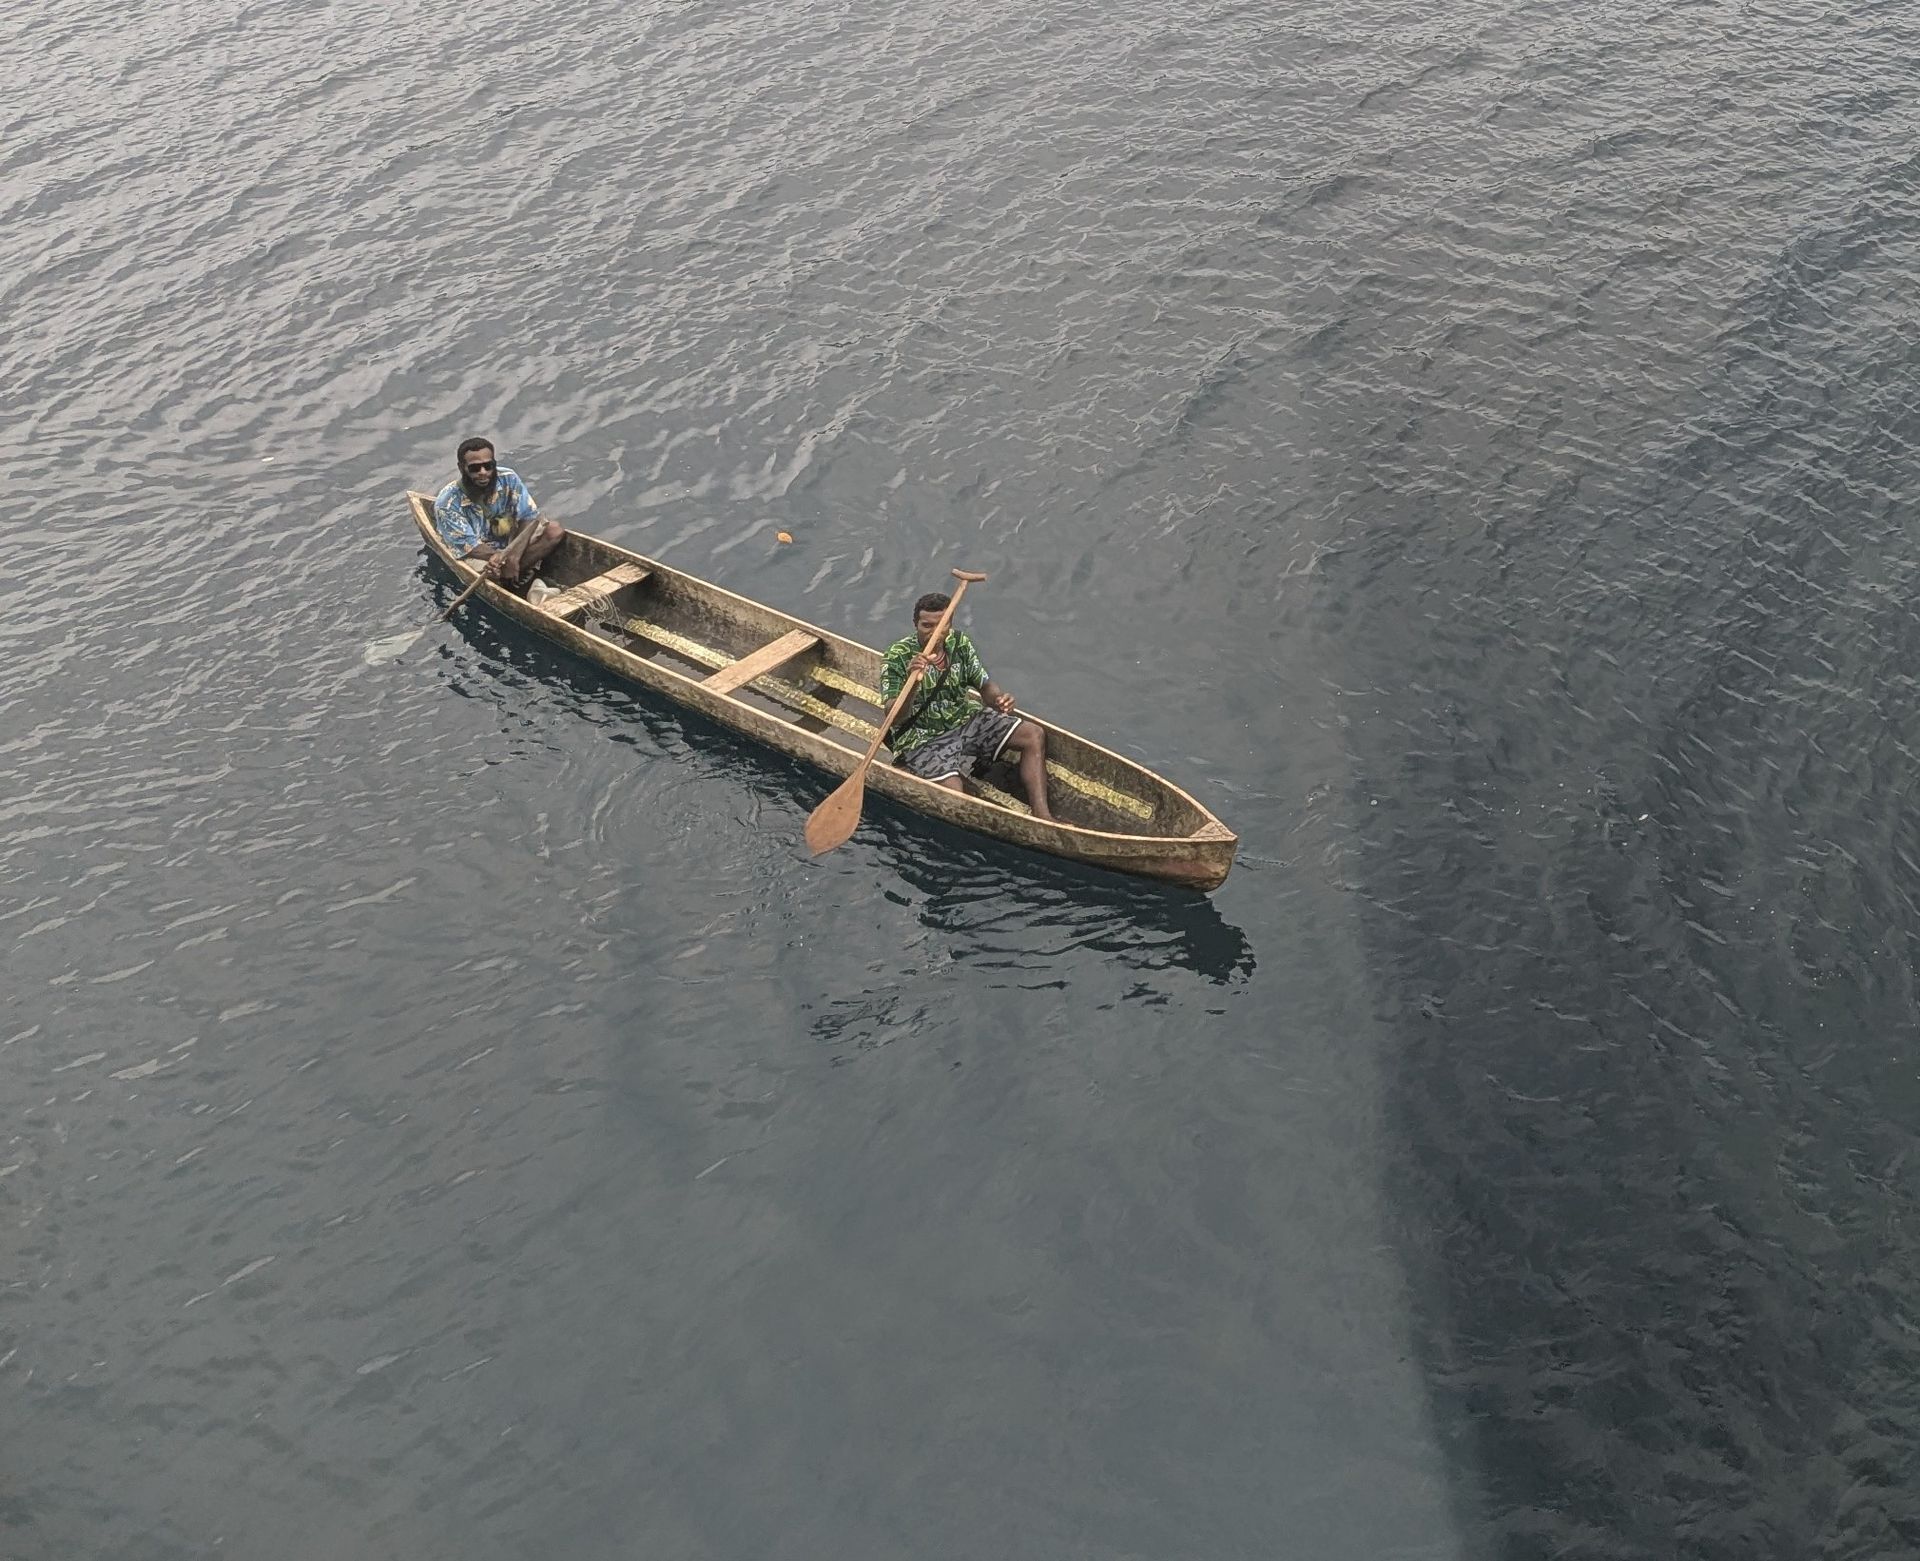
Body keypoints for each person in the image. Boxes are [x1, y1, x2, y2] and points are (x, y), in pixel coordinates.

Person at [880, 592, 1053, 821]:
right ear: (915, 624)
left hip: (964, 720)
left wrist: (999, 700)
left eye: (941, 625)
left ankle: (1042, 815)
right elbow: (895, 718)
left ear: (949, 624)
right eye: (926, 625)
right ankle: (922, 772)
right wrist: (913, 682)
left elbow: (985, 686)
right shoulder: (897, 656)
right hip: (923, 737)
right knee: (952, 793)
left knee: (1033, 734)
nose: (934, 632)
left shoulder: (959, 643)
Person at [432, 438, 566, 589]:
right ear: (462, 468)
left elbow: (528, 516)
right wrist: (499, 558)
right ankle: (513, 578)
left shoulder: (508, 477)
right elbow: (470, 547)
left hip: (510, 540)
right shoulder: (447, 503)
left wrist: (513, 558)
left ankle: (514, 572)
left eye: (488, 466)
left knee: (554, 531)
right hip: (479, 552)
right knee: (492, 572)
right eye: (475, 468)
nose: (483, 473)